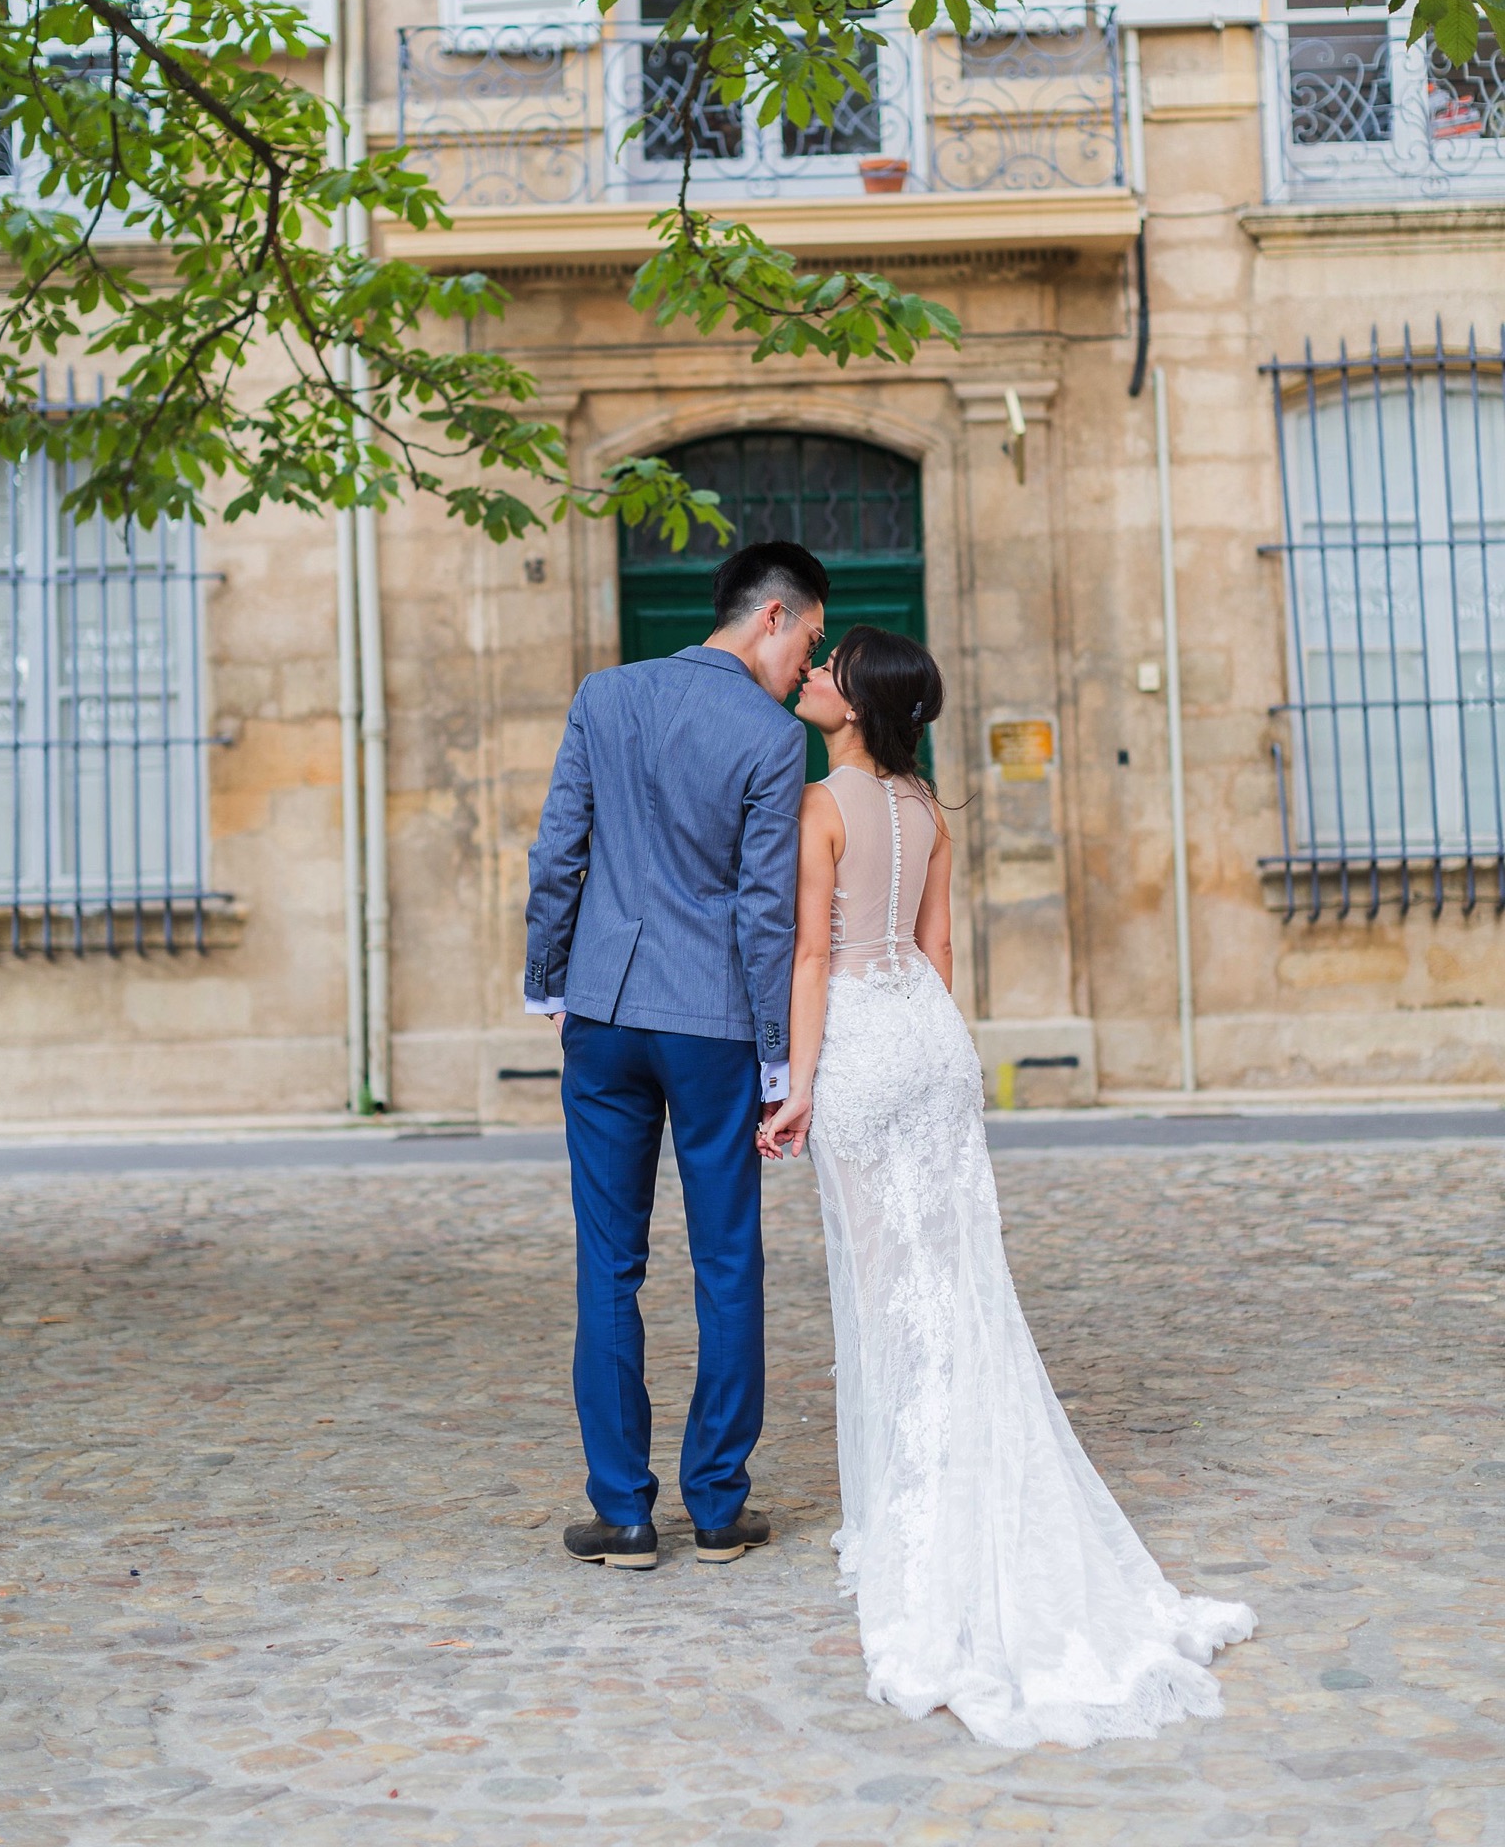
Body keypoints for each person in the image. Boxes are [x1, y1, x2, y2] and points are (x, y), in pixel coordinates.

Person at [759, 625, 1255, 1746]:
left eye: (831, 670)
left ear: (855, 703)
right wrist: (951, 1057)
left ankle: (913, 1504)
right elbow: (935, 951)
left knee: (886, 1284)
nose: (816, 676)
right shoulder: (929, 812)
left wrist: (791, 1087)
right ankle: (941, 1470)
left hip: (861, 1048)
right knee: (952, 1278)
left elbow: (804, 957)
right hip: (931, 1043)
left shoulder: (817, 808)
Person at [525, 539, 829, 1570]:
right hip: (711, 1026)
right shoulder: (770, 736)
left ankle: (620, 1514)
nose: (803, 671)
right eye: (808, 645)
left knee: (607, 1264)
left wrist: (548, 981)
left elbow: (559, 849)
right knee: (726, 1257)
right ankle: (715, 1504)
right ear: (773, 617)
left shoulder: (603, 697)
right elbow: (761, 911)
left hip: (604, 1015)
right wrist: (779, 1060)